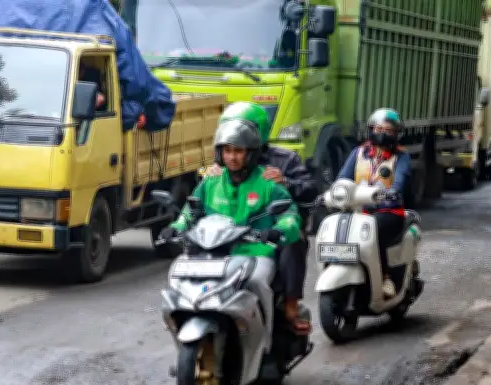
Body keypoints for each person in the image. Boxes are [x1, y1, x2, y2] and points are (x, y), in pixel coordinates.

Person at [159, 118, 306, 331]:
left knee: (256, 282)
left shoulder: (267, 183)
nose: (232, 157)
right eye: (227, 151)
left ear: (251, 153)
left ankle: (269, 333)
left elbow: (289, 215)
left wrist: (278, 230)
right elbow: (191, 211)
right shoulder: (211, 182)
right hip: (212, 253)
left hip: (255, 253)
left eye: (238, 151)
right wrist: (177, 227)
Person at [200, 102, 317, 334]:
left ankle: (291, 305)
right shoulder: (223, 161)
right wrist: (205, 179)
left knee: (293, 241)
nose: (233, 155)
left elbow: (310, 188)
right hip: (232, 231)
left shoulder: (285, 160)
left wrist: (286, 182)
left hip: (272, 229)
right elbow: (202, 202)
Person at [335, 108, 411, 298]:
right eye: (378, 128)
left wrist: (393, 192)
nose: (382, 133)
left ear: (396, 134)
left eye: (388, 130)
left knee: (373, 230)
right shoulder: (358, 153)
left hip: (388, 211)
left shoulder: (401, 156)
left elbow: (400, 180)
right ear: (371, 130)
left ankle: (386, 277)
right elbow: (343, 178)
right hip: (358, 210)